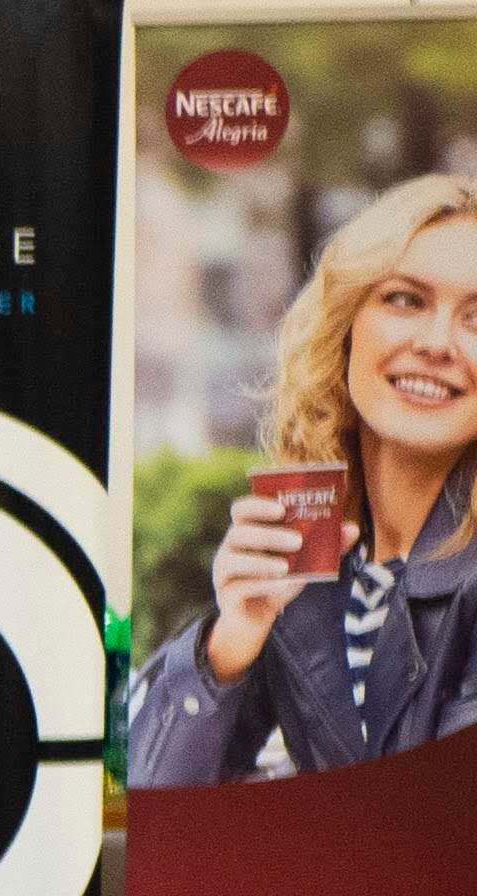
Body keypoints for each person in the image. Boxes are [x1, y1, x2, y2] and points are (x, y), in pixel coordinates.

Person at [131, 173, 477, 785]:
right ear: (345, 325)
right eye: (406, 299)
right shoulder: (315, 558)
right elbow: (147, 806)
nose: (436, 343)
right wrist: (231, 641)